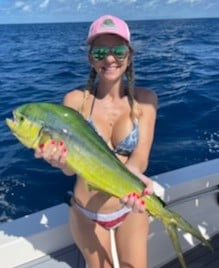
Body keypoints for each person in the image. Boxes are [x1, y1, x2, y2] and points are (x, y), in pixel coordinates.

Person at [35, 14, 157, 268]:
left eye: (118, 51)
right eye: (100, 51)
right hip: (86, 213)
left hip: (128, 208)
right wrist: (59, 163)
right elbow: (71, 167)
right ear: (91, 58)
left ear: (129, 55)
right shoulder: (74, 102)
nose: (110, 58)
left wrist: (132, 183)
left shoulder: (146, 100)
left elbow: (140, 158)